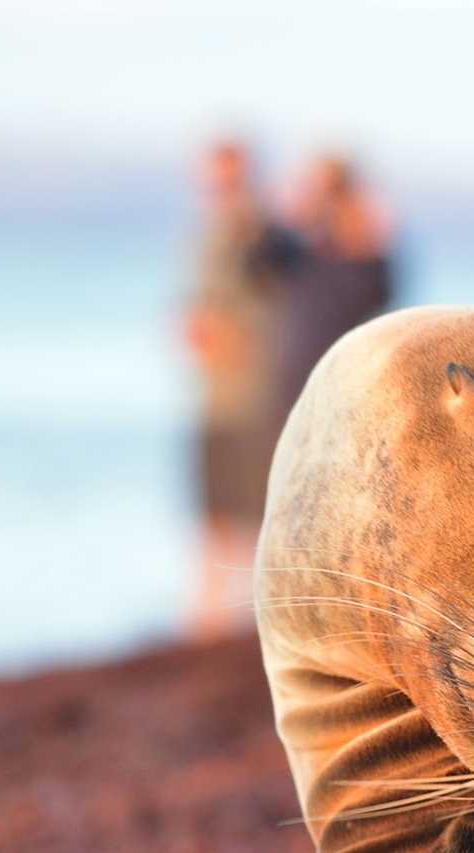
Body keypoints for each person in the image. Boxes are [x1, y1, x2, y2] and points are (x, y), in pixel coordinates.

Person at [182, 139, 290, 639]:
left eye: (231, 178)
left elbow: (271, 267)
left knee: (252, 514)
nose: (221, 189)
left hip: (251, 395)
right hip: (213, 396)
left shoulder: (261, 231)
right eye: (216, 178)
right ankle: (208, 616)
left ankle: (247, 622)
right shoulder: (205, 235)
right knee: (214, 513)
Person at [271, 154, 395, 421]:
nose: (330, 205)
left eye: (337, 193)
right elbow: (260, 257)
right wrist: (297, 210)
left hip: (342, 386)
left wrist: (365, 232)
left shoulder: (367, 262)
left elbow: (379, 295)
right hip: (291, 388)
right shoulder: (302, 250)